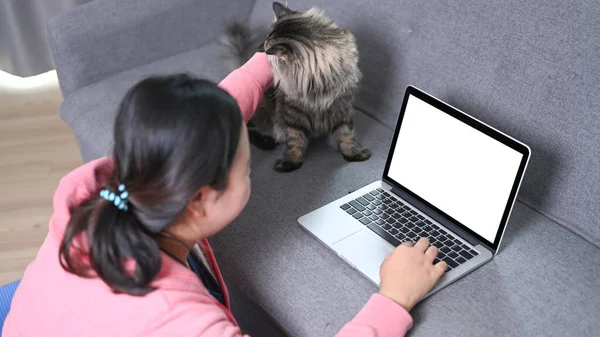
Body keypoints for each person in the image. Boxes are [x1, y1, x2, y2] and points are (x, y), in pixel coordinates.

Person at [2, 52, 447, 337]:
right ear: (199, 199)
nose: (250, 165)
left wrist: (268, 64)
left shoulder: (113, 183)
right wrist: (392, 299)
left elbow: (206, 117)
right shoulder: (183, 324)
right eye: (244, 164)